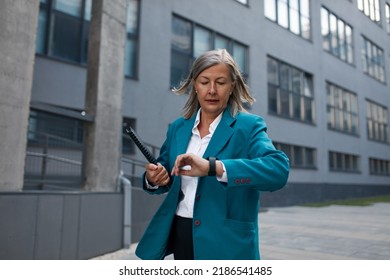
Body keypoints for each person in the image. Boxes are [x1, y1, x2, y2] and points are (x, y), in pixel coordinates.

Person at [135, 49, 289, 260]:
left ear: (232, 86)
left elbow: (278, 171)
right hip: (182, 234)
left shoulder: (249, 126)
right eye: (204, 81)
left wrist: (213, 167)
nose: (212, 90)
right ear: (195, 85)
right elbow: (165, 174)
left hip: (227, 243)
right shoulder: (178, 128)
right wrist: (154, 178)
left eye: (221, 82)